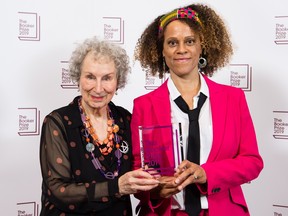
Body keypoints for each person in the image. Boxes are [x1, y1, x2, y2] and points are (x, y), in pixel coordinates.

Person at [131, 3, 263, 216]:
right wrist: (155, 190)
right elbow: (139, 170)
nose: (181, 49)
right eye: (172, 42)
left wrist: (206, 173)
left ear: (202, 46)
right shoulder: (144, 105)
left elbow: (252, 162)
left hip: (223, 211)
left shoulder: (233, 98)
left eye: (190, 41)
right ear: (161, 50)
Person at [39, 36, 159, 216]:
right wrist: (116, 186)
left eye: (107, 78)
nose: (98, 88)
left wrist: (160, 179)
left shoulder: (125, 119)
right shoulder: (58, 122)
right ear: (78, 77)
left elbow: (144, 168)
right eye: (90, 77)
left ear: (118, 81)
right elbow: (59, 190)